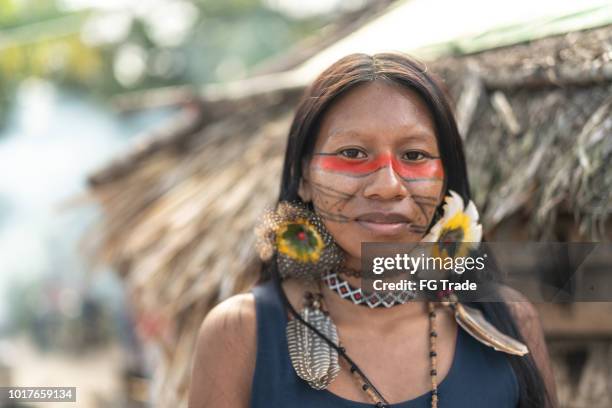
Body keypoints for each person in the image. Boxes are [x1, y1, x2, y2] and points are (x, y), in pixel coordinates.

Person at [188, 53, 558, 408]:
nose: (388, 186)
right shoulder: (240, 334)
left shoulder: (510, 320)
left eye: (414, 156)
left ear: (446, 178)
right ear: (304, 177)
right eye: (352, 153)